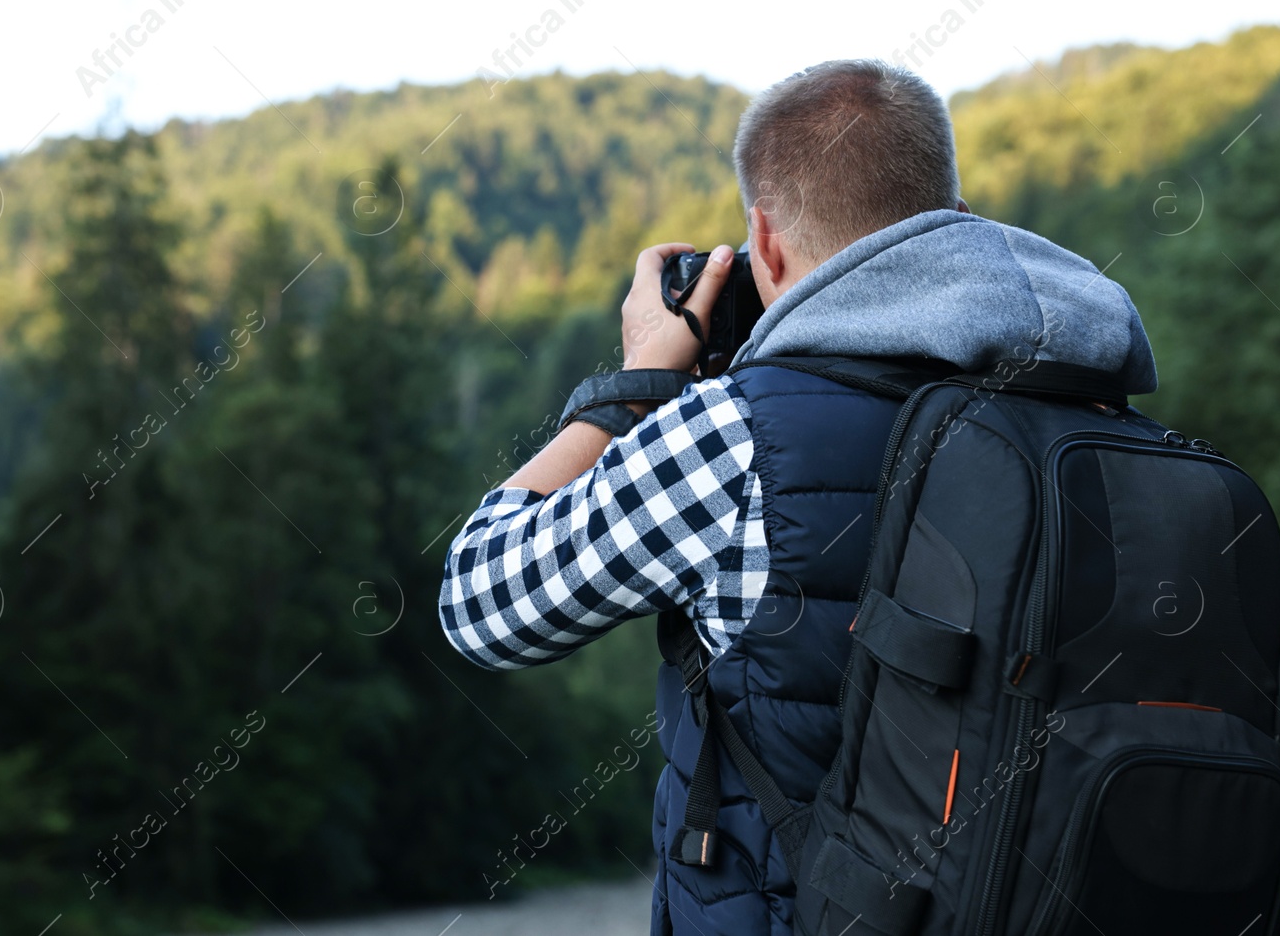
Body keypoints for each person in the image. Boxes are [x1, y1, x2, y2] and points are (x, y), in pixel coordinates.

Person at [438, 59, 1157, 936]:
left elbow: (482, 602)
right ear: (958, 225)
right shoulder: (1106, 421)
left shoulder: (735, 433)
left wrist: (627, 392)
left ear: (765, 244)